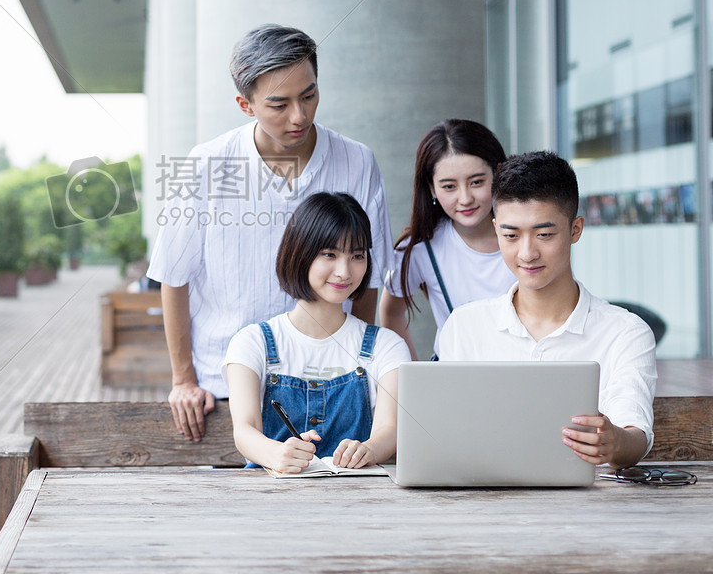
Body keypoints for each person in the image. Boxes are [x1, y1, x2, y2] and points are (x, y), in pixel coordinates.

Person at [146, 24, 395, 441]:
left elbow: (367, 278)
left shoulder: (357, 161)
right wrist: (183, 378)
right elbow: (175, 276)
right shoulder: (207, 164)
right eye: (279, 104)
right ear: (246, 104)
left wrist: (356, 365)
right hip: (224, 385)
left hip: (330, 385)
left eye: (309, 95)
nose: (299, 116)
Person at [437, 151, 657, 469]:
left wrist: (615, 442)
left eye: (544, 235)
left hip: (588, 511)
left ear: (575, 230)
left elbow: (635, 434)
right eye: (510, 236)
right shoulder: (465, 326)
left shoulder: (625, 333)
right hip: (485, 504)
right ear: (496, 229)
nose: (527, 253)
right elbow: (449, 431)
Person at [223, 192, 408, 473]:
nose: (344, 271)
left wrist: (367, 449)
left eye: (357, 256)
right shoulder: (252, 342)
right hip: (266, 504)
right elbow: (244, 430)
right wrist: (277, 454)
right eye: (329, 254)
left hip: (358, 503)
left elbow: (389, 430)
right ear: (299, 253)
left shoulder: (386, 346)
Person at [378, 119, 514, 360]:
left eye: (477, 182)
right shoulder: (420, 247)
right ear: (431, 188)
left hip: (525, 374)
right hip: (455, 383)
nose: (465, 198)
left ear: (499, 172)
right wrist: (412, 374)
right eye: (449, 186)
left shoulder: (526, 233)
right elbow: (391, 312)